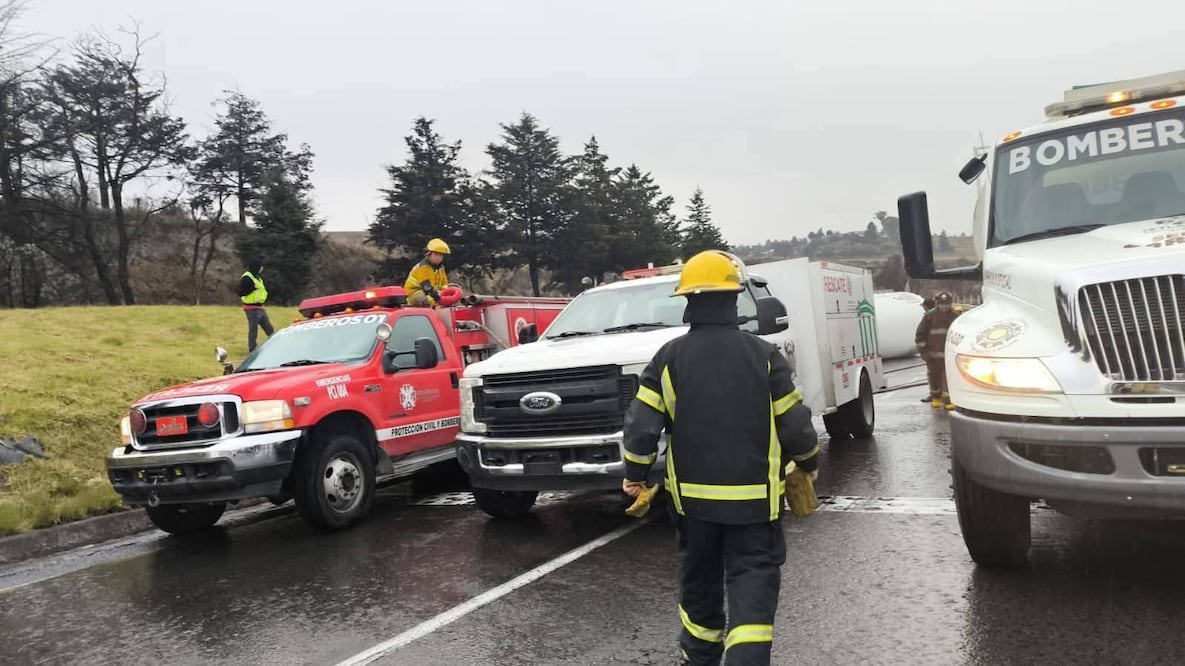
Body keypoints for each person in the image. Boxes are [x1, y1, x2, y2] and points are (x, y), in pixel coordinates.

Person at [621, 250, 820, 666]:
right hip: (755, 507)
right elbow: (796, 424)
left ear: (689, 302)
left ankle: (701, 658)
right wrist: (809, 461)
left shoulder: (668, 359)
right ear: (734, 301)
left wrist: (635, 474)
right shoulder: (764, 356)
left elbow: (641, 426)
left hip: (693, 508)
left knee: (700, 586)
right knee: (752, 590)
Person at [915, 291, 959, 409]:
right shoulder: (929, 316)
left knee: (949, 379)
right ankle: (936, 397)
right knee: (934, 377)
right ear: (937, 304)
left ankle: (948, 400)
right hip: (933, 355)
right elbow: (920, 334)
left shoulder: (956, 317)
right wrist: (924, 351)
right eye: (942, 303)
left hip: (949, 357)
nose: (944, 306)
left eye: (947, 303)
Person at [238, 259, 274, 353]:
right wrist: (253, 288)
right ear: (256, 267)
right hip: (251, 308)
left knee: (269, 328)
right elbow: (241, 292)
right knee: (253, 330)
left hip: (260, 307)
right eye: (261, 266)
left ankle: (275, 345)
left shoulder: (258, 278)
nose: (262, 268)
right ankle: (252, 349)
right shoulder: (247, 277)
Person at [404, 238, 450, 307]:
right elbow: (427, 288)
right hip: (414, 293)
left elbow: (444, 284)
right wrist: (435, 303)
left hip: (433, 293)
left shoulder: (441, 268)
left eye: (440, 255)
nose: (438, 257)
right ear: (429, 254)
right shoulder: (423, 267)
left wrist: (446, 295)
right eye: (435, 254)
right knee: (424, 298)